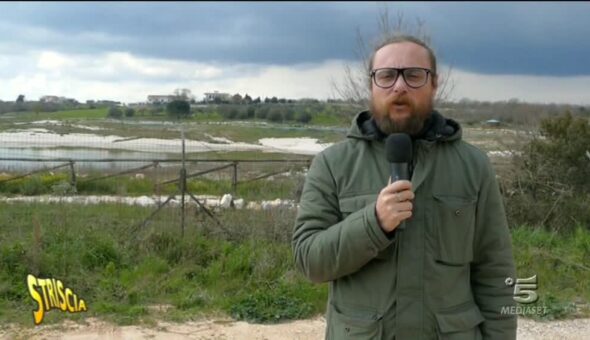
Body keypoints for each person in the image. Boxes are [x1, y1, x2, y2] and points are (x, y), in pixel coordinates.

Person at [292, 34, 517, 339]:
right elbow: (309, 260)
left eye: (413, 75)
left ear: (434, 84)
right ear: (371, 85)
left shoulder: (473, 166)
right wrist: (373, 223)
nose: (399, 86)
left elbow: (496, 274)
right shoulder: (333, 164)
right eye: (386, 76)